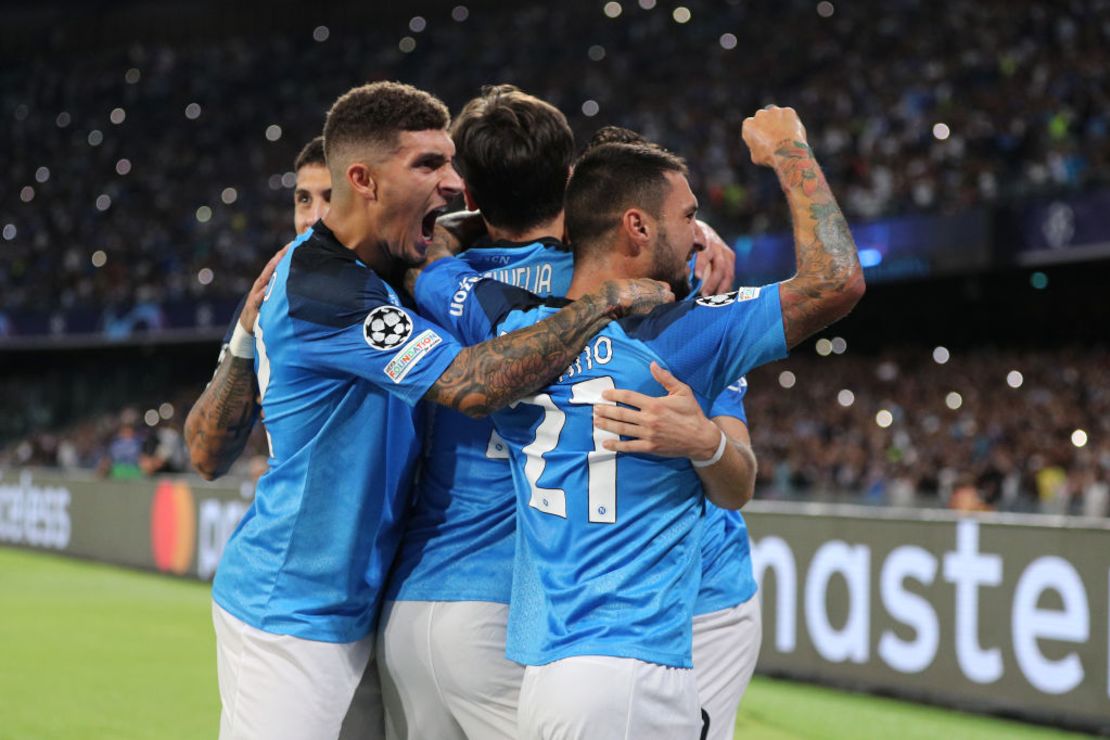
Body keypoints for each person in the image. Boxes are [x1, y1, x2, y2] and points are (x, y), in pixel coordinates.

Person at [206, 81, 672, 740]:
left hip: (374, 604)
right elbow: (471, 385)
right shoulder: (325, 290)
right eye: (429, 165)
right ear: (364, 180)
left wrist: (675, 228)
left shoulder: (390, 268)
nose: (452, 183)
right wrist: (602, 302)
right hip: (293, 609)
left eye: (454, 166)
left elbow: (492, 216)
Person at [411, 106, 864, 739]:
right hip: (635, 669)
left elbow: (431, 261)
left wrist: (473, 215)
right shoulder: (688, 337)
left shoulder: (506, 331)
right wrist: (789, 152)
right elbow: (836, 280)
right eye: (688, 218)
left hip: (549, 667)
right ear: (636, 226)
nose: (698, 235)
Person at [379, 86, 750, 740]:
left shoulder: (449, 285)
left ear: (470, 195)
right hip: (540, 611)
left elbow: (426, 250)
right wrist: (697, 236)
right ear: (575, 181)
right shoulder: (647, 292)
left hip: (414, 602)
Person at [584, 126, 762, 740]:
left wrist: (704, 442)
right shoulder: (560, 299)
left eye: (695, 221)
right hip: (610, 615)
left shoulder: (705, 328)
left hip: (709, 597)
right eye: (687, 218)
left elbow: (739, 482)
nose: (693, 233)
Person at [185, 135, 330, 480]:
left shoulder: (405, 284)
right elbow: (206, 459)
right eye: (303, 200)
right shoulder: (267, 300)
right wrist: (245, 334)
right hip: (293, 523)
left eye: (332, 198)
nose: (314, 218)